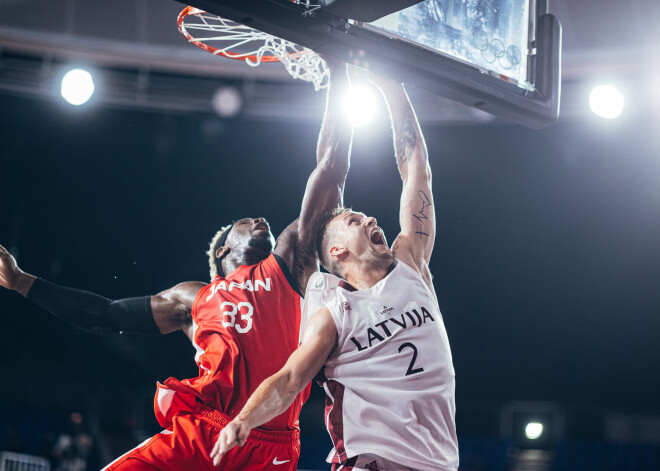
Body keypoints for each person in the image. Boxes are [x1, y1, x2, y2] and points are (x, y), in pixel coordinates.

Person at [0, 60, 353, 471]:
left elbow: (330, 170)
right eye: (245, 222)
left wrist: (340, 71)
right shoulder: (193, 297)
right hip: (203, 432)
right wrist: (23, 282)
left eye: (262, 223)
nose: (259, 220)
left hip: (271, 440)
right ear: (222, 251)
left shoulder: (290, 267)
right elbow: (104, 315)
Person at [212, 76, 459, 471]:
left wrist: (393, 85)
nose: (370, 218)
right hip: (373, 463)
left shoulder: (411, 264)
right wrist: (243, 420)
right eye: (354, 219)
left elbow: (417, 170)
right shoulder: (334, 311)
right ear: (338, 251)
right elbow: (291, 377)